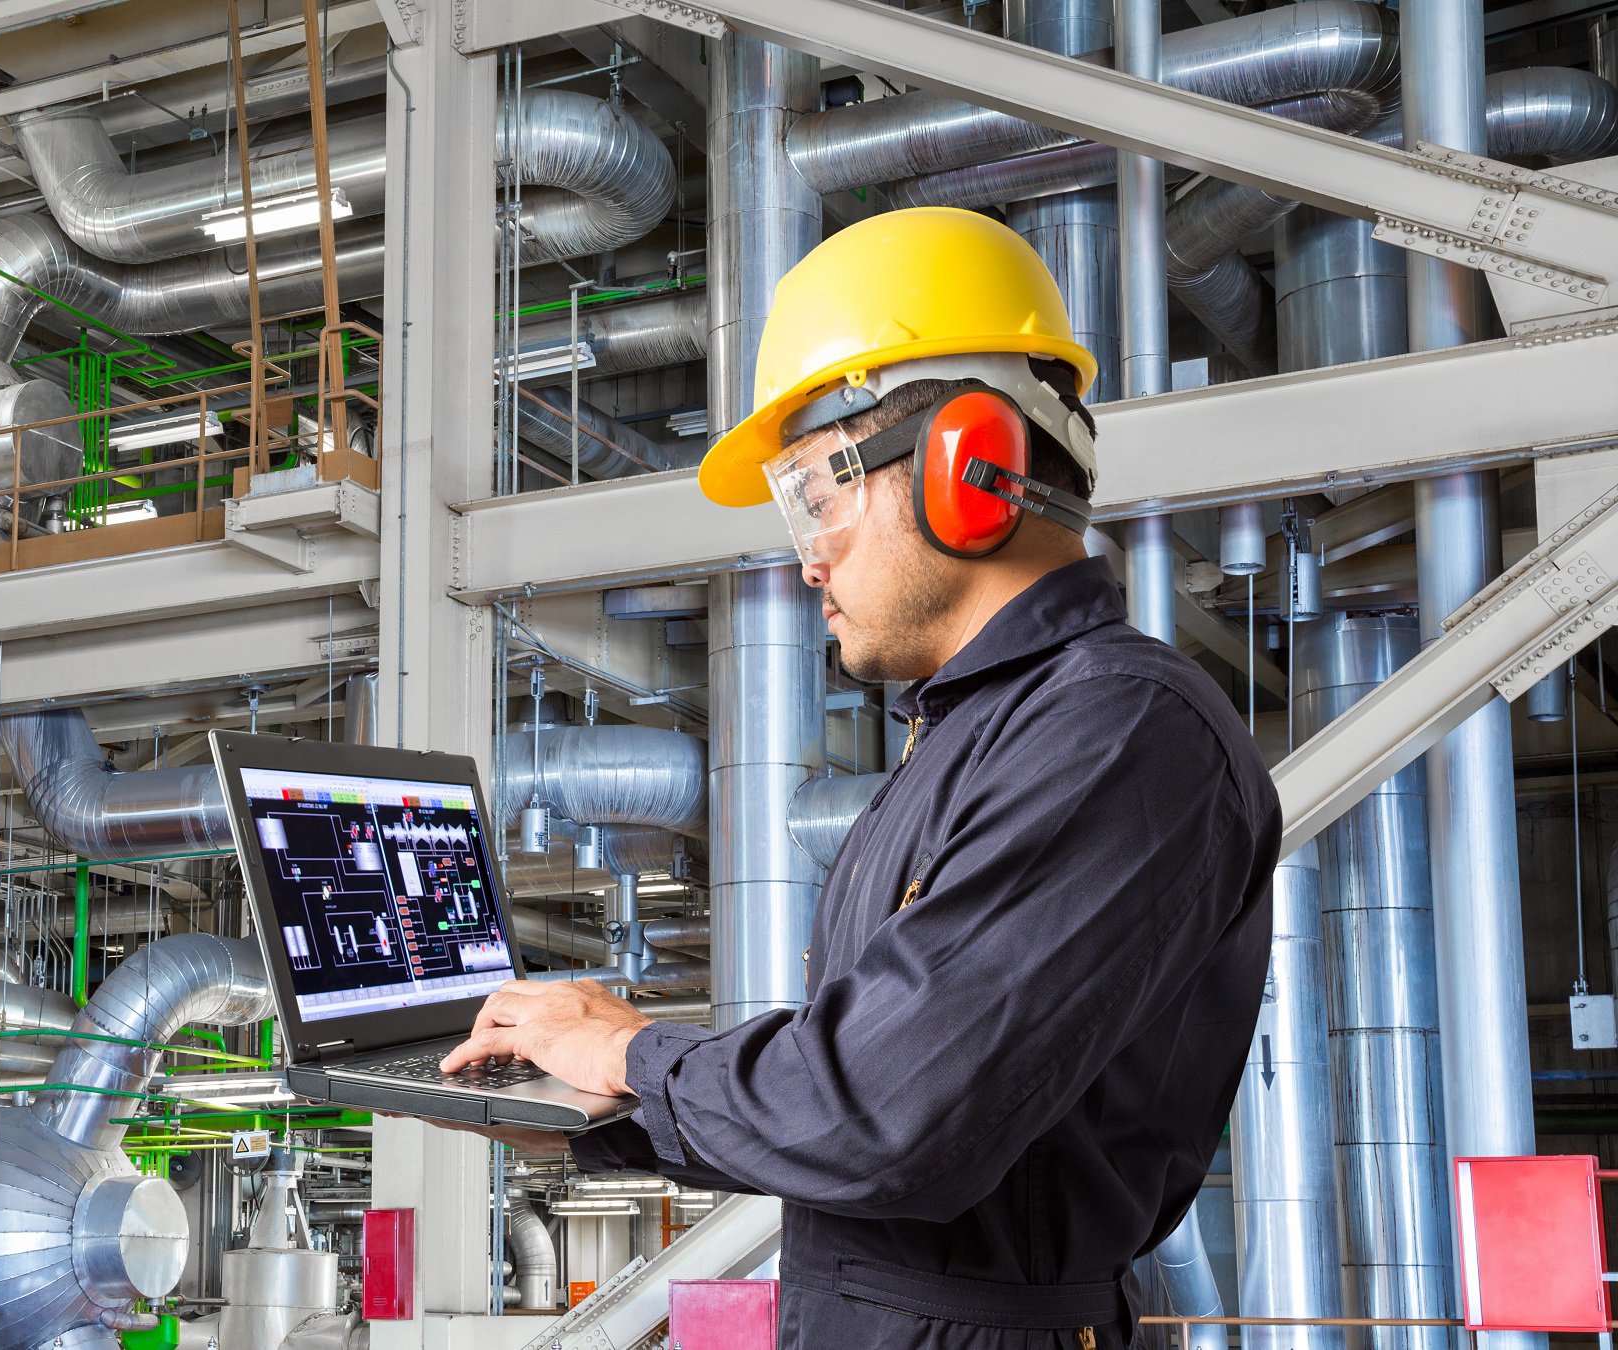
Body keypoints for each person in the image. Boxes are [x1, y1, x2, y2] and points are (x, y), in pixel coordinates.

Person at [437, 207, 1277, 1349]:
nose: (805, 557)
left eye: (818, 499)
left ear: (966, 466)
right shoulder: (977, 735)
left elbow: (886, 1112)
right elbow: (872, 1062)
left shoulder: (1119, 732)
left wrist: (632, 1051)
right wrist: (607, 1111)